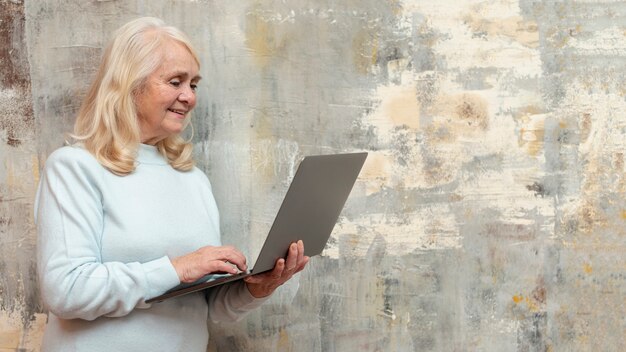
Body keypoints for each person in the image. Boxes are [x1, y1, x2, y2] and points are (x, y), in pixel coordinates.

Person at [35, 17, 309, 352]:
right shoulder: (75, 167)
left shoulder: (192, 179)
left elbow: (204, 307)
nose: (189, 97)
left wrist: (256, 288)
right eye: (175, 81)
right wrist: (177, 268)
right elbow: (66, 290)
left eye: (193, 84)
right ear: (128, 85)